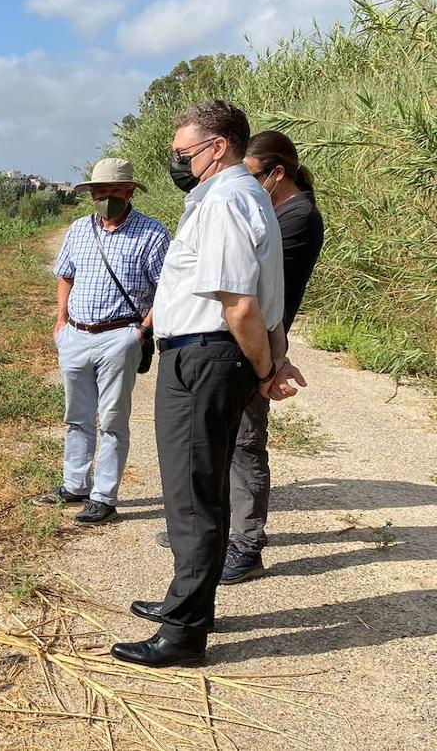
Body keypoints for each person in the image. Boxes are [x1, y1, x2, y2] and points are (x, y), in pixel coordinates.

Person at [110, 101, 305, 668]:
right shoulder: (247, 198)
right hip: (210, 358)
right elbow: (267, 297)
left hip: (201, 358)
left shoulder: (224, 200)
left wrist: (268, 369)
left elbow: (240, 304)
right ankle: (189, 602)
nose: (177, 160)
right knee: (207, 487)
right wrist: (275, 355)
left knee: (192, 496)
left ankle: (184, 632)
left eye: (183, 151)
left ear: (217, 147)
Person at [154, 130, 325, 584]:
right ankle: (209, 542)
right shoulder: (264, 207)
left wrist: (270, 362)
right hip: (245, 338)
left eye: (250, 175)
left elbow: (253, 295)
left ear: (276, 174)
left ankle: (245, 544)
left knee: (244, 443)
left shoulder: (296, 217)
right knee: (218, 447)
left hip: (249, 342)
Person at [33, 158, 170, 526]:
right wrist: (61, 320)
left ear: (129, 192)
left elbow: (167, 289)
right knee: (76, 416)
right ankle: (74, 484)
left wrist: (142, 331)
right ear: (91, 194)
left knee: (112, 419)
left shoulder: (153, 234)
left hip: (120, 336)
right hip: (76, 334)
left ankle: (104, 497)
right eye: (100, 191)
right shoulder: (78, 229)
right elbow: (65, 276)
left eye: (113, 190)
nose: (106, 197)